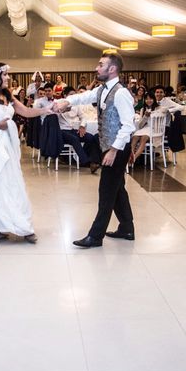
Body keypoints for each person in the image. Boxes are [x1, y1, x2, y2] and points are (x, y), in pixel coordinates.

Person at [55, 53, 135, 248]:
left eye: (101, 65)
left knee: (106, 191)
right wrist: (67, 101)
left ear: (112, 69)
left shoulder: (121, 93)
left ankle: (95, 236)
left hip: (116, 149)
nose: (96, 68)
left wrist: (114, 151)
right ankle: (127, 228)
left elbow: (128, 126)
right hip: (108, 146)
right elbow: (85, 96)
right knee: (117, 189)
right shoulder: (103, 89)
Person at [0, 62, 50, 243]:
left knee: (12, 182)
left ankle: (15, 224)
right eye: (5, 75)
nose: (8, 78)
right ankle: (2, 226)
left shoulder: (7, 95)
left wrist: (46, 109)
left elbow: (27, 111)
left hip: (9, 145)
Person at [58, 86, 102, 173]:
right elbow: (53, 114)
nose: (73, 97)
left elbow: (83, 117)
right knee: (74, 139)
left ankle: (90, 160)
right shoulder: (59, 103)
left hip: (73, 130)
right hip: (62, 130)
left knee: (90, 137)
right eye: (71, 95)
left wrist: (82, 126)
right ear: (65, 95)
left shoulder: (76, 105)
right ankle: (87, 162)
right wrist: (62, 110)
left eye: (75, 95)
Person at [131, 91, 159, 159]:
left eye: (150, 99)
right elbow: (140, 126)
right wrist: (145, 117)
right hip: (145, 129)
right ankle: (130, 156)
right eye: (146, 99)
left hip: (155, 129)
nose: (148, 101)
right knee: (134, 137)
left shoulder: (158, 108)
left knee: (143, 138)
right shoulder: (143, 109)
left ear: (154, 99)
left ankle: (134, 158)